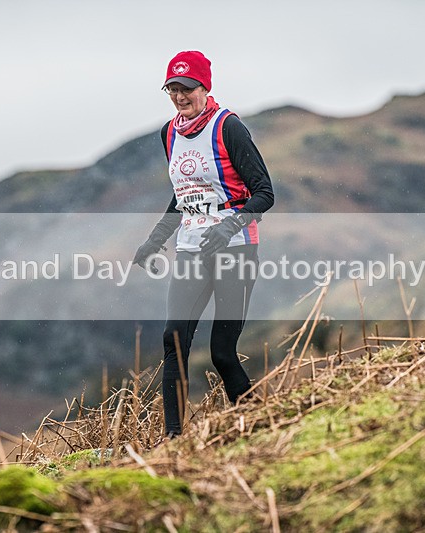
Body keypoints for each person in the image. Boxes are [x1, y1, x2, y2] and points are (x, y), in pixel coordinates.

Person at [133, 50, 275, 438]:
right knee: (173, 340)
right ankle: (174, 439)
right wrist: (154, 241)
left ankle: (259, 429)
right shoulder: (169, 133)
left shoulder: (229, 127)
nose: (180, 97)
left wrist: (229, 227)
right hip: (192, 250)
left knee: (222, 352)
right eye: (173, 89)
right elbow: (182, 197)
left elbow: (264, 193)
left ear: (205, 87)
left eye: (188, 88)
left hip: (236, 249)